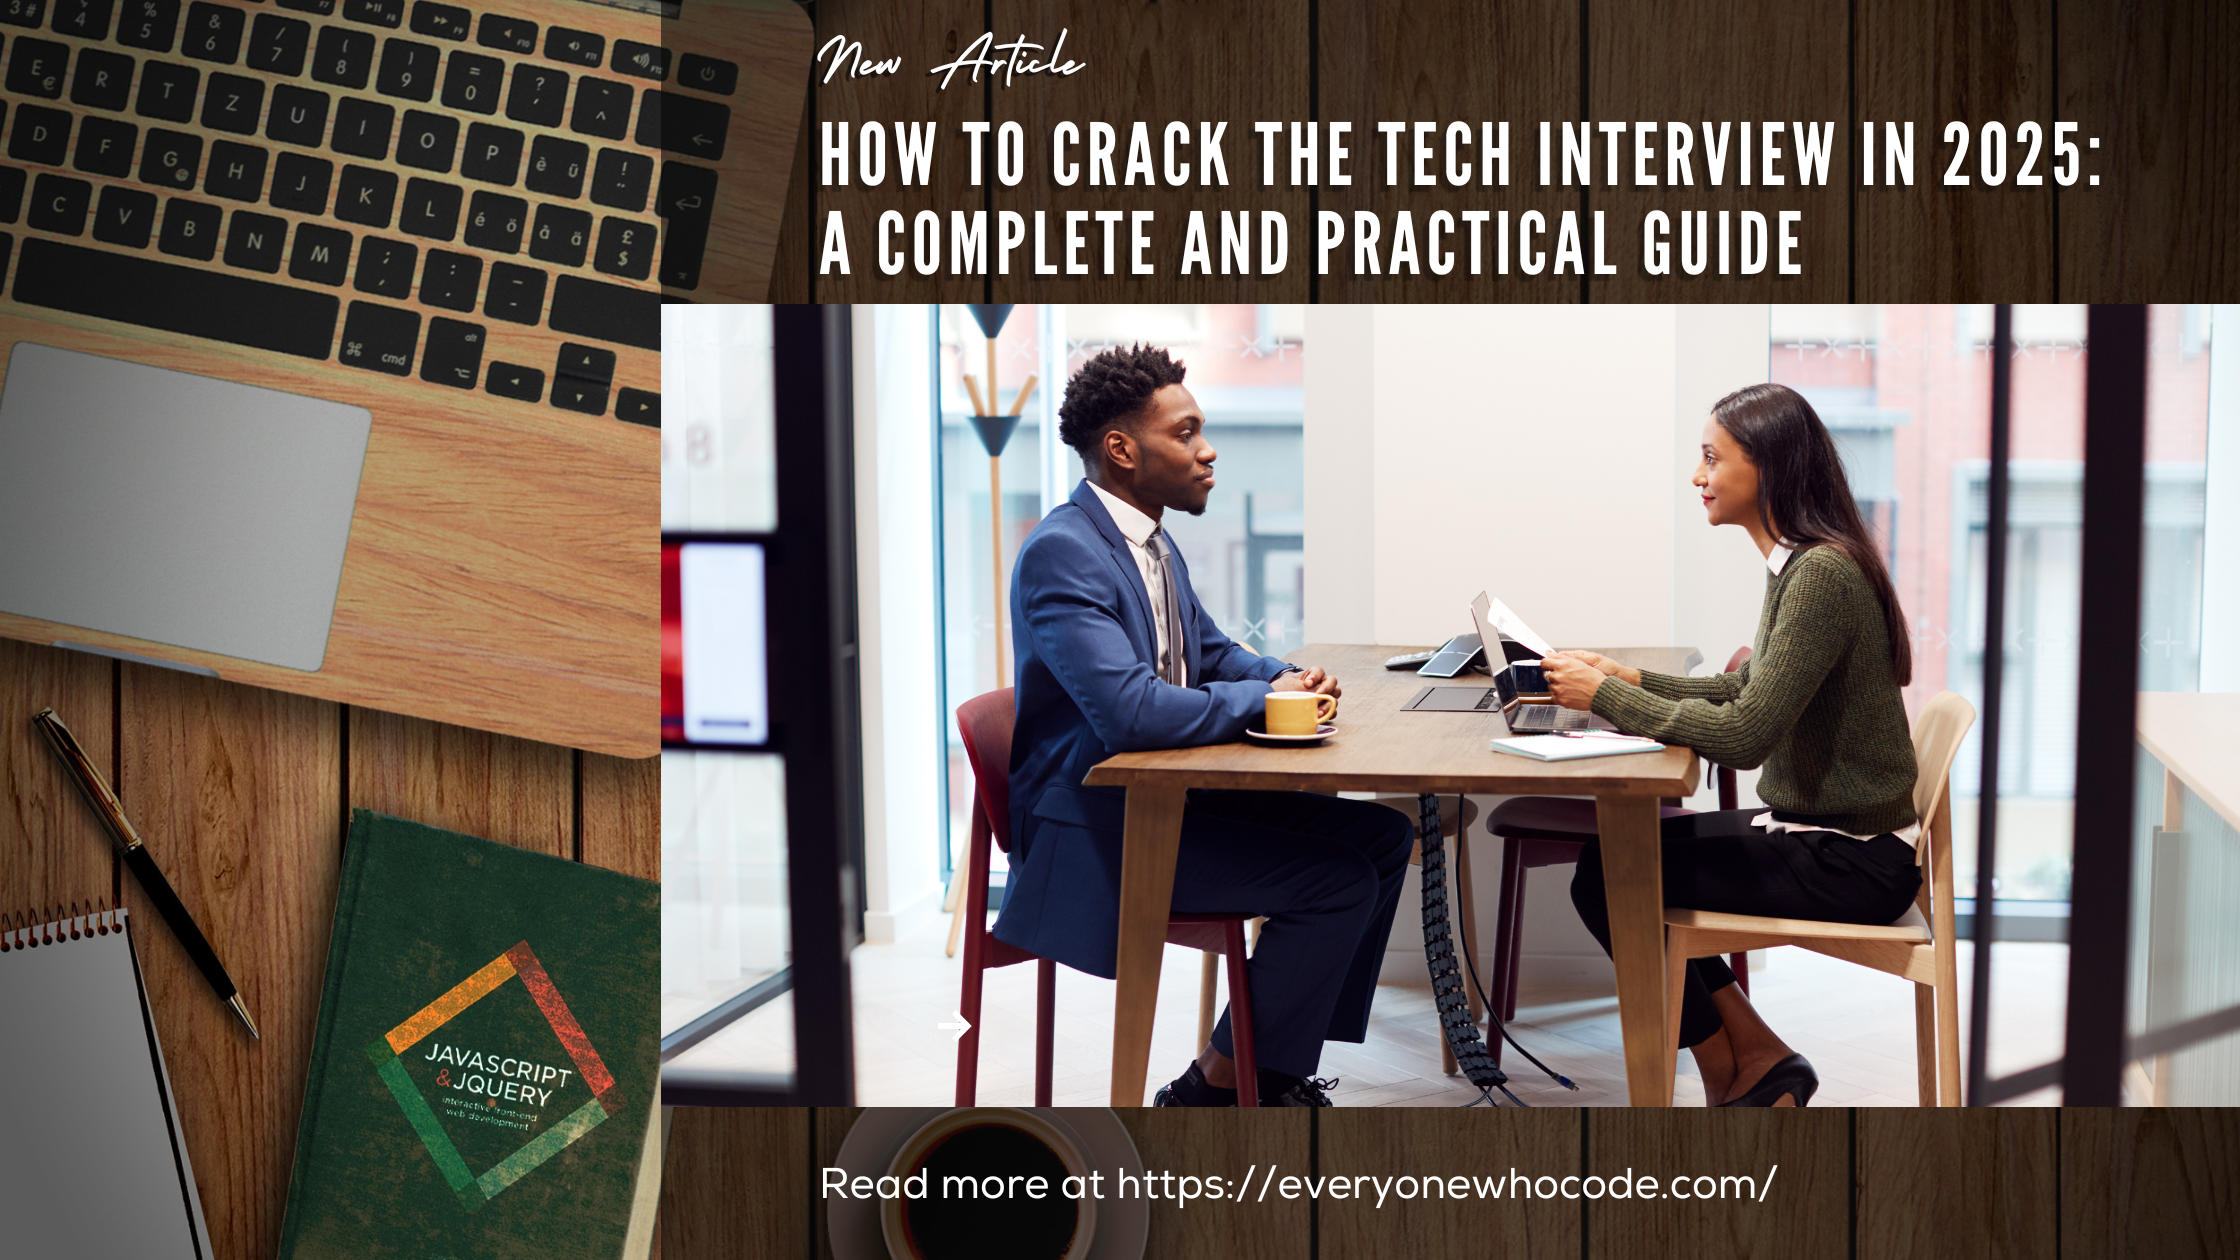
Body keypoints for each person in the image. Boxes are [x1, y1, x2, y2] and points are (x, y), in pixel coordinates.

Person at [991, 344, 1414, 1108]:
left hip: (1167, 801)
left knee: (1384, 837)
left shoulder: (1150, 542)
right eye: (1185, 433)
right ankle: (1216, 1089)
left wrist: (1283, 677)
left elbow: (1210, 652)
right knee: (1336, 880)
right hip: (1095, 830)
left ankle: (1268, 1069)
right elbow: (1130, 712)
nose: (1207, 449)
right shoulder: (1064, 553)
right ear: (1122, 450)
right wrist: (1265, 703)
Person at [1543, 382, 1921, 1107]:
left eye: (1712, 459)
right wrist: (1626, 677)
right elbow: (1745, 690)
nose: (1698, 476)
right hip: (1822, 834)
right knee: (1616, 863)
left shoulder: (1820, 576)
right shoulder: (1801, 564)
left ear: (1768, 465)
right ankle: (1756, 1060)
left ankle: (1734, 1070)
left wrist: (1605, 698)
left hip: (1850, 861)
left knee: (1611, 876)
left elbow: (1745, 736)